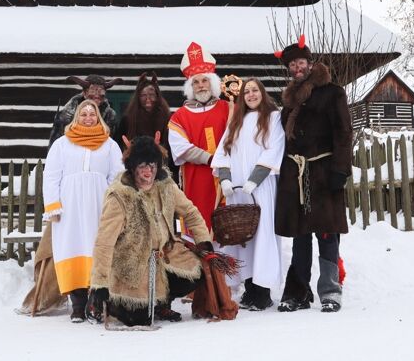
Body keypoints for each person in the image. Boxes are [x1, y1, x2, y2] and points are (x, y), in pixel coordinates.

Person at [85, 136, 212, 327]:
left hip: (165, 254)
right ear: (133, 167)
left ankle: (161, 302)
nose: (148, 171)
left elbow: (191, 212)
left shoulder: (167, 186)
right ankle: (109, 302)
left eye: (152, 165)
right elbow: (104, 242)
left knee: (196, 271)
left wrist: (203, 240)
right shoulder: (119, 197)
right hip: (132, 264)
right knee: (138, 320)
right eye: (143, 166)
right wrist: (100, 283)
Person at [273, 36, 353, 313]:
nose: (297, 67)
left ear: (310, 63)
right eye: (292, 64)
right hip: (296, 176)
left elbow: (344, 134)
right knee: (300, 235)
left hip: (324, 173)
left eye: (301, 62)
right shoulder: (289, 101)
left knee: (327, 234)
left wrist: (340, 170)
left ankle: (331, 291)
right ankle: (298, 292)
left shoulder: (332, 92)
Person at [43, 99, 124, 322]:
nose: (88, 118)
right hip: (69, 207)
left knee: (97, 248)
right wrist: (53, 206)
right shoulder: (62, 144)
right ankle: (77, 304)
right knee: (71, 248)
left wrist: (113, 206)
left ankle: (95, 302)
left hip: (99, 205)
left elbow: (117, 177)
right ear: (76, 117)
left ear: (98, 117)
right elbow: (51, 176)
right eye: (83, 114)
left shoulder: (109, 145)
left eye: (92, 114)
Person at [211, 77, 285, 311]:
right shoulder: (236, 122)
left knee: (261, 236)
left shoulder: (273, 118)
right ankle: (250, 290)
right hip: (238, 190)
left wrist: (255, 180)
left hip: (260, 188)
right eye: (247, 92)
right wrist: (225, 180)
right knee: (242, 239)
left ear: (262, 93)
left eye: (255, 90)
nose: (251, 95)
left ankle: (262, 293)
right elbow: (222, 153)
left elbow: (275, 150)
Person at [168, 42, 230, 230]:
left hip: (228, 176)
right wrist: (210, 158)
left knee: (229, 226)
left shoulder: (228, 108)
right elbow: (182, 149)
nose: (201, 86)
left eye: (204, 81)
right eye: (196, 82)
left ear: (212, 83)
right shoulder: (179, 116)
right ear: (190, 86)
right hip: (197, 178)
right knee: (198, 225)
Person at [114, 72, 176, 176]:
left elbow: (172, 148)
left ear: (157, 96)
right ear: (138, 98)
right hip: (136, 168)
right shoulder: (128, 119)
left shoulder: (167, 118)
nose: (148, 99)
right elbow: (118, 146)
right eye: (143, 95)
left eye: (151, 95)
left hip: (162, 168)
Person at [48, 75, 121, 147]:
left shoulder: (110, 116)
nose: (96, 100)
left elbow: (114, 144)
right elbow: (54, 144)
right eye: (91, 96)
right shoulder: (66, 114)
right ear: (84, 93)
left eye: (100, 96)